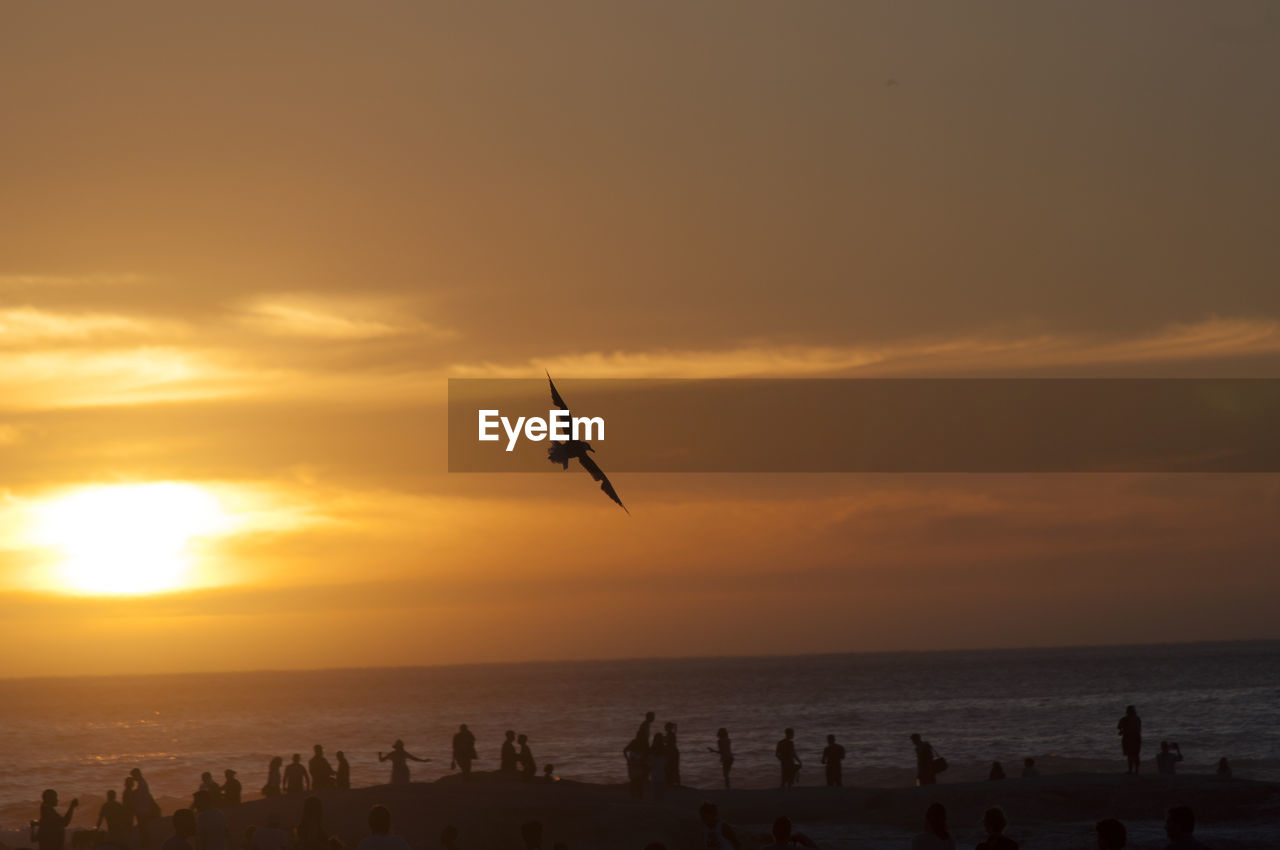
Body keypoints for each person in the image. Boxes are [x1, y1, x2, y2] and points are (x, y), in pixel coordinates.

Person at [131, 769, 157, 848]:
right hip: (144, 809)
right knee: (143, 828)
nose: (133, 778)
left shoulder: (142, 784)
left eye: (133, 776)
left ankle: (145, 845)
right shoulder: (142, 783)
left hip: (142, 810)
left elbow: (140, 798)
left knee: (143, 828)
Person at [1117, 706, 1142, 775]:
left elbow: (1119, 727)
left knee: (1130, 755)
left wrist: (1123, 730)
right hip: (1137, 737)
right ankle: (1136, 770)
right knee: (1136, 754)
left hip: (1128, 738)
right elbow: (1138, 728)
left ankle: (1130, 770)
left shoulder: (1125, 719)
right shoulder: (1137, 719)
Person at [647, 733, 668, 801]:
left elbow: (649, 757)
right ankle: (660, 798)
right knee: (660, 783)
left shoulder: (653, 747)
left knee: (655, 783)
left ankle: (655, 798)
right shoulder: (663, 747)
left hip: (655, 765)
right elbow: (667, 758)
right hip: (661, 765)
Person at [663, 722, 681, 788]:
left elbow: (668, 742)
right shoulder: (670, 734)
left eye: (666, 727)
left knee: (672, 767)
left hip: (672, 753)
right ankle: (673, 782)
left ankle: (674, 782)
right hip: (672, 752)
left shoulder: (671, 735)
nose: (664, 728)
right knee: (672, 768)